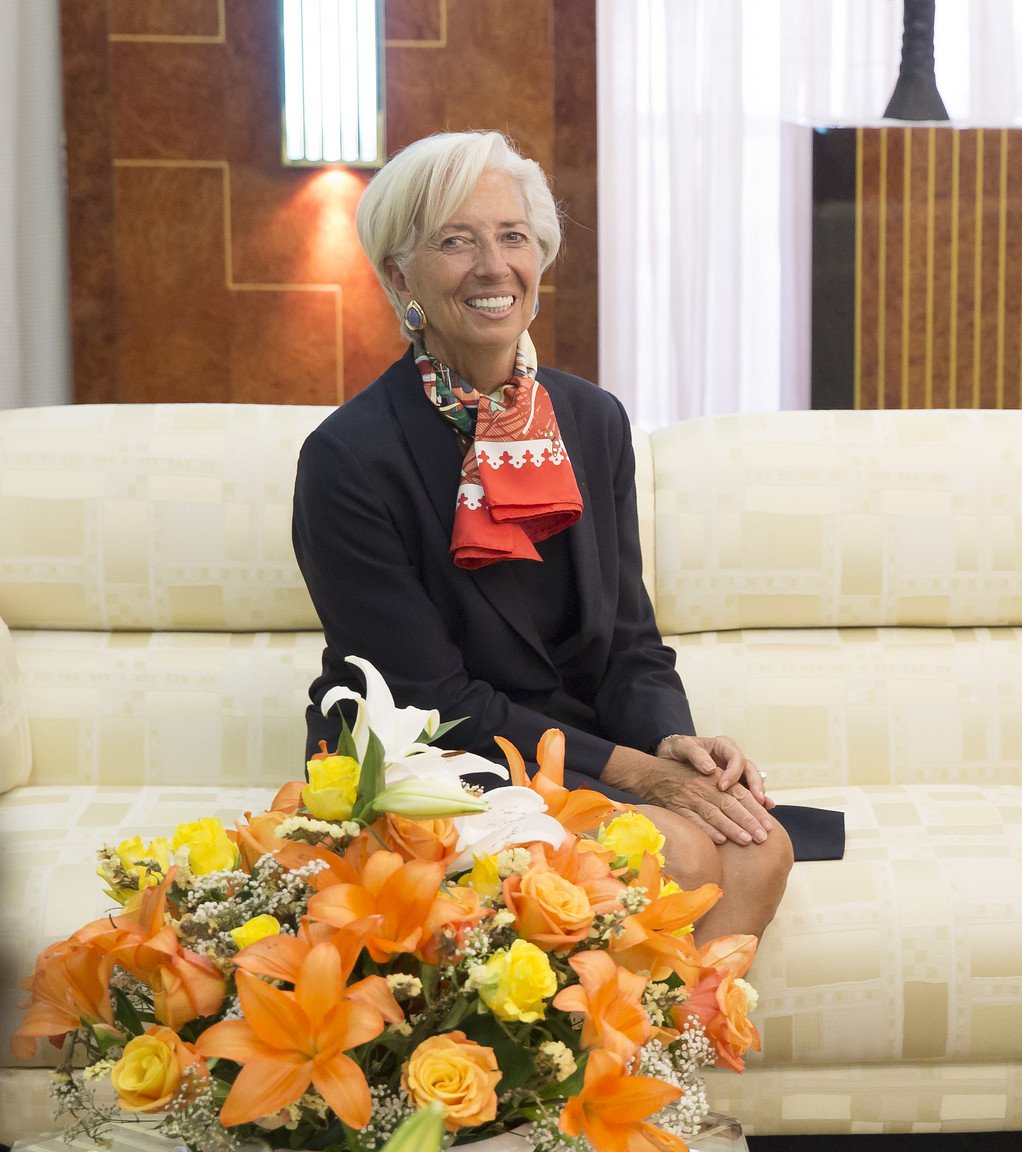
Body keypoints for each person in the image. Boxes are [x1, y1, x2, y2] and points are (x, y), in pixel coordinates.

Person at [294, 130, 836, 942]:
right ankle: (613, 1065)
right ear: (400, 275)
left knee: (764, 848)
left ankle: (664, 1065)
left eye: (513, 236)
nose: (492, 265)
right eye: (455, 241)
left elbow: (628, 642)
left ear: (540, 257)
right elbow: (428, 700)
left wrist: (673, 744)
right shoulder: (347, 459)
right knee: (682, 852)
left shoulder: (592, 421)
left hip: (573, 743)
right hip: (434, 759)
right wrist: (633, 774)